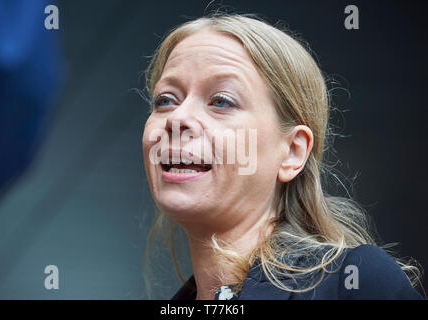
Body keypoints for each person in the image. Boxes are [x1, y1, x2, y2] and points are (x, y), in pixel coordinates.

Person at [141, 13, 423, 300]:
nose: (178, 118)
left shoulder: (356, 283)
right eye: (165, 100)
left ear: (292, 152)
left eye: (221, 101)